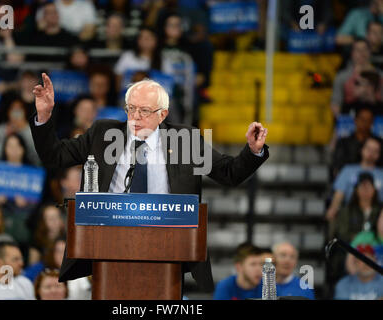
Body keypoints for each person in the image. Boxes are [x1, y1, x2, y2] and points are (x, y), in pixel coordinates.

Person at [30, 73, 269, 293]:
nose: (135, 117)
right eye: (131, 109)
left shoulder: (185, 140)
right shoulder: (103, 134)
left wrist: (252, 151)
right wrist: (44, 116)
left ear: (162, 114)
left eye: (144, 111)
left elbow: (229, 173)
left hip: (168, 244)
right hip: (107, 241)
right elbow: (55, 156)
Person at [326, 137, 383, 221]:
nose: (371, 153)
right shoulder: (348, 170)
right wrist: (333, 209)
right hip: (351, 215)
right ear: (362, 149)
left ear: (379, 154)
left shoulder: (381, 174)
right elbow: (338, 195)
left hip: (377, 217)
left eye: (375, 151)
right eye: (368, 148)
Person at [331, 39, 381, 117]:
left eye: (365, 50)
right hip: (350, 118)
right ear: (352, 53)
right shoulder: (342, 77)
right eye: (358, 50)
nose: (362, 53)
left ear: (369, 52)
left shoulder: (380, 76)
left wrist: (372, 97)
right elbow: (335, 104)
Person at [0, 98, 41, 166]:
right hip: (3, 169)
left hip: (26, 169)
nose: (16, 112)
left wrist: (25, 129)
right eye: (13, 109)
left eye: (20, 109)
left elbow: (38, 159)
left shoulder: (31, 131)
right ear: (8, 112)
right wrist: (5, 135)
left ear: (25, 112)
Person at [332, 107, 383, 178]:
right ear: (355, 120)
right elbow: (338, 166)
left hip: (375, 178)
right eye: (362, 119)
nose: (365, 123)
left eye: (368, 120)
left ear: (372, 122)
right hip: (349, 179)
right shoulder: (344, 142)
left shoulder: (378, 142)